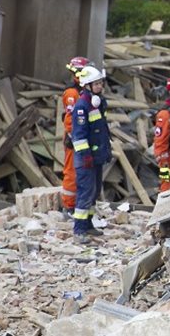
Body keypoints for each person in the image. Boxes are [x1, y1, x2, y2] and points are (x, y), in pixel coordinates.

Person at [71, 65, 111, 244]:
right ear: (87, 85)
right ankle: (79, 229)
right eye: (96, 83)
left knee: (94, 192)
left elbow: (102, 131)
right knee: (85, 192)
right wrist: (86, 155)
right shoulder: (81, 106)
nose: (100, 86)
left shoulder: (97, 102)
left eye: (101, 83)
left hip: (96, 157)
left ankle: (88, 225)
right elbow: (79, 136)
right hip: (86, 158)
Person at [61, 56, 90, 214]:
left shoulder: (84, 92)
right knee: (71, 172)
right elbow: (70, 120)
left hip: (83, 139)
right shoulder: (72, 93)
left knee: (82, 172)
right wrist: (75, 138)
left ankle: (79, 203)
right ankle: (68, 206)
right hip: (74, 140)